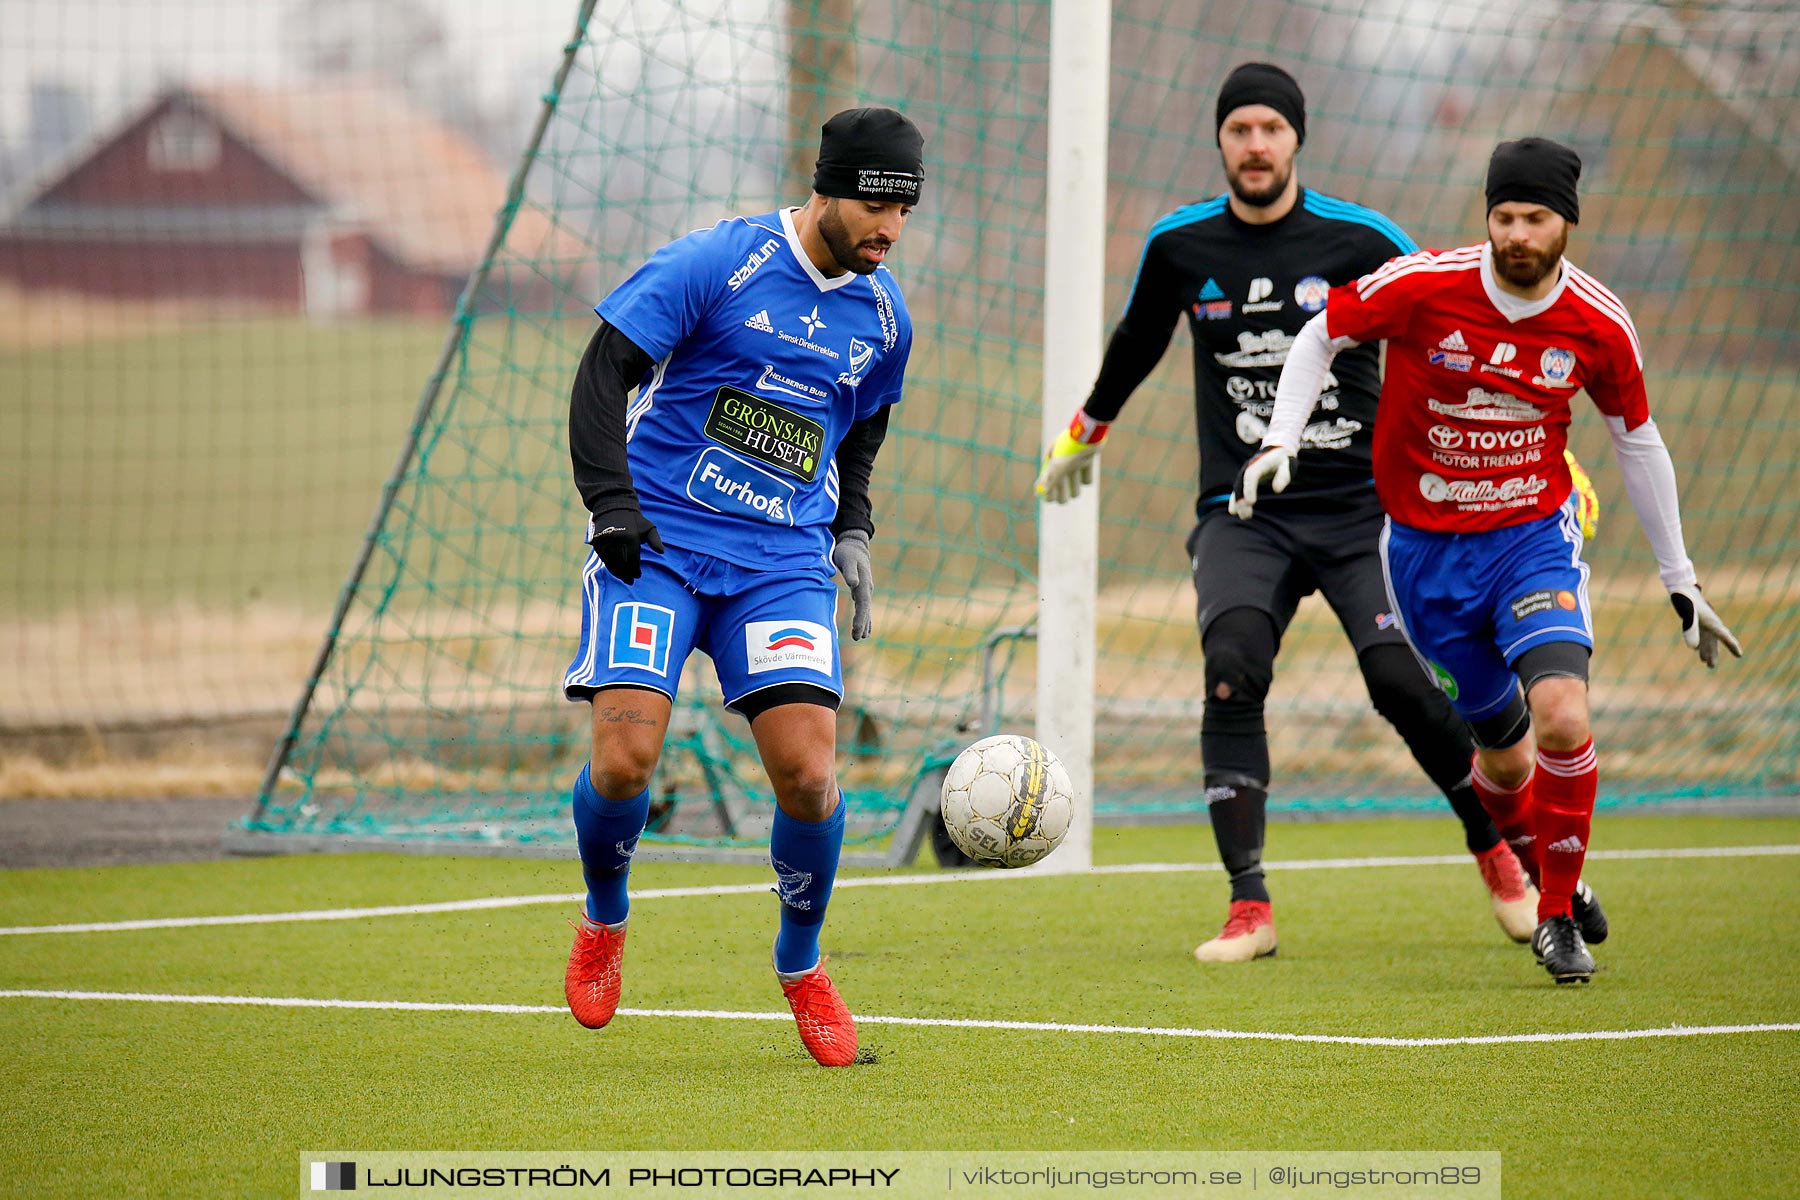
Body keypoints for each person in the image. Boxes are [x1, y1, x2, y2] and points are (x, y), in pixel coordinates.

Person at [1037, 62, 1556, 964]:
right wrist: (1084, 432)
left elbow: (1462, 335)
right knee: (1231, 663)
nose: (1255, 145)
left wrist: (1541, 445)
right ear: (1221, 142)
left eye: (1270, 129)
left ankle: (1499, 851)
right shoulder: (1179, 246)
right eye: (1239, 129)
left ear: (1296, 139)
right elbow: (1136, 343)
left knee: (1402, 682)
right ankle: (1249, 908)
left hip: (1368, 510)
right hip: (1245, 511)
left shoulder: (1363, 239)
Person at [1233, 135, 1744, 983]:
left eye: (1534, 218)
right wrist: (1282, 438)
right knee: (1503, 759)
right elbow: (1320, 334)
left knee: (1563, 718)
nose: (1516, 234)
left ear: (1566, 224)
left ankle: (1554, 918)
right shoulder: (1426, 285)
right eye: (1503, 216)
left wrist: (1679, 579)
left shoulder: (1598, 322)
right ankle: (1547, 863)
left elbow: (1637, 442)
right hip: (1426, 561)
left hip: (1532, 542)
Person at [559, 107, 922, 1062]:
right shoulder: (716, 262)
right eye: (878, 205)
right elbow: (603, 376)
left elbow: (863, 426)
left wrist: (852, 528)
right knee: (626, 760)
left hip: (780, 564)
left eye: (906, 210)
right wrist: (612, 507)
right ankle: (604, 917)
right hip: (662, 546)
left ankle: (801, 964)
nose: (891, 228)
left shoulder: (886, 318)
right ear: (828, 188)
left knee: (808, 775)